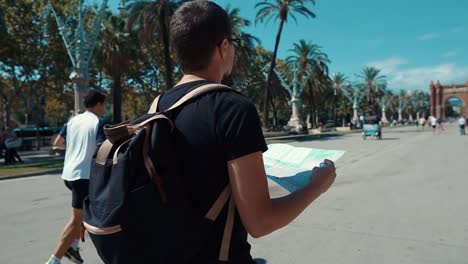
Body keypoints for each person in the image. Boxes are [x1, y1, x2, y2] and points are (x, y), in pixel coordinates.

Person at [152, 2, 337, 263]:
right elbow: (261, 222)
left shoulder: (158, 106)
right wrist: (317, 186)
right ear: (223, 46)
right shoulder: (232, 108)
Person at [45, 89, 106, 264]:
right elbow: (102, 147)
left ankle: (74, 247)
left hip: (69, 174)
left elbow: (58, 143)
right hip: (84, 176)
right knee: (77, 220)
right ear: (99, 104)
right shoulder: (98, 122)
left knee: (86, 213)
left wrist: (76, 150)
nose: (104, 108)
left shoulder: (73, 121)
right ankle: (53, 260)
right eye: (104, 104)